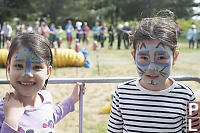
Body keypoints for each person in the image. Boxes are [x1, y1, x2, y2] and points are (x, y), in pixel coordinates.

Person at [107, 10, 198, 132]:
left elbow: (194, 131)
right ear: (134, 57)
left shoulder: (188, 96)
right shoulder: (121, 94)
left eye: (161, 57)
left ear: (175, 57)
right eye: (144, 58)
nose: (152, 68)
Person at [0, 33, 86, 132]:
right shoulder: (3, 111)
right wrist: (11, 121)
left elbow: (50, 117)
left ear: (48, 72)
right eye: (19, 66)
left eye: (37, 67)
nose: (27, 74)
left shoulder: (46, 98)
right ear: (9, 68)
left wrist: (72, 99)